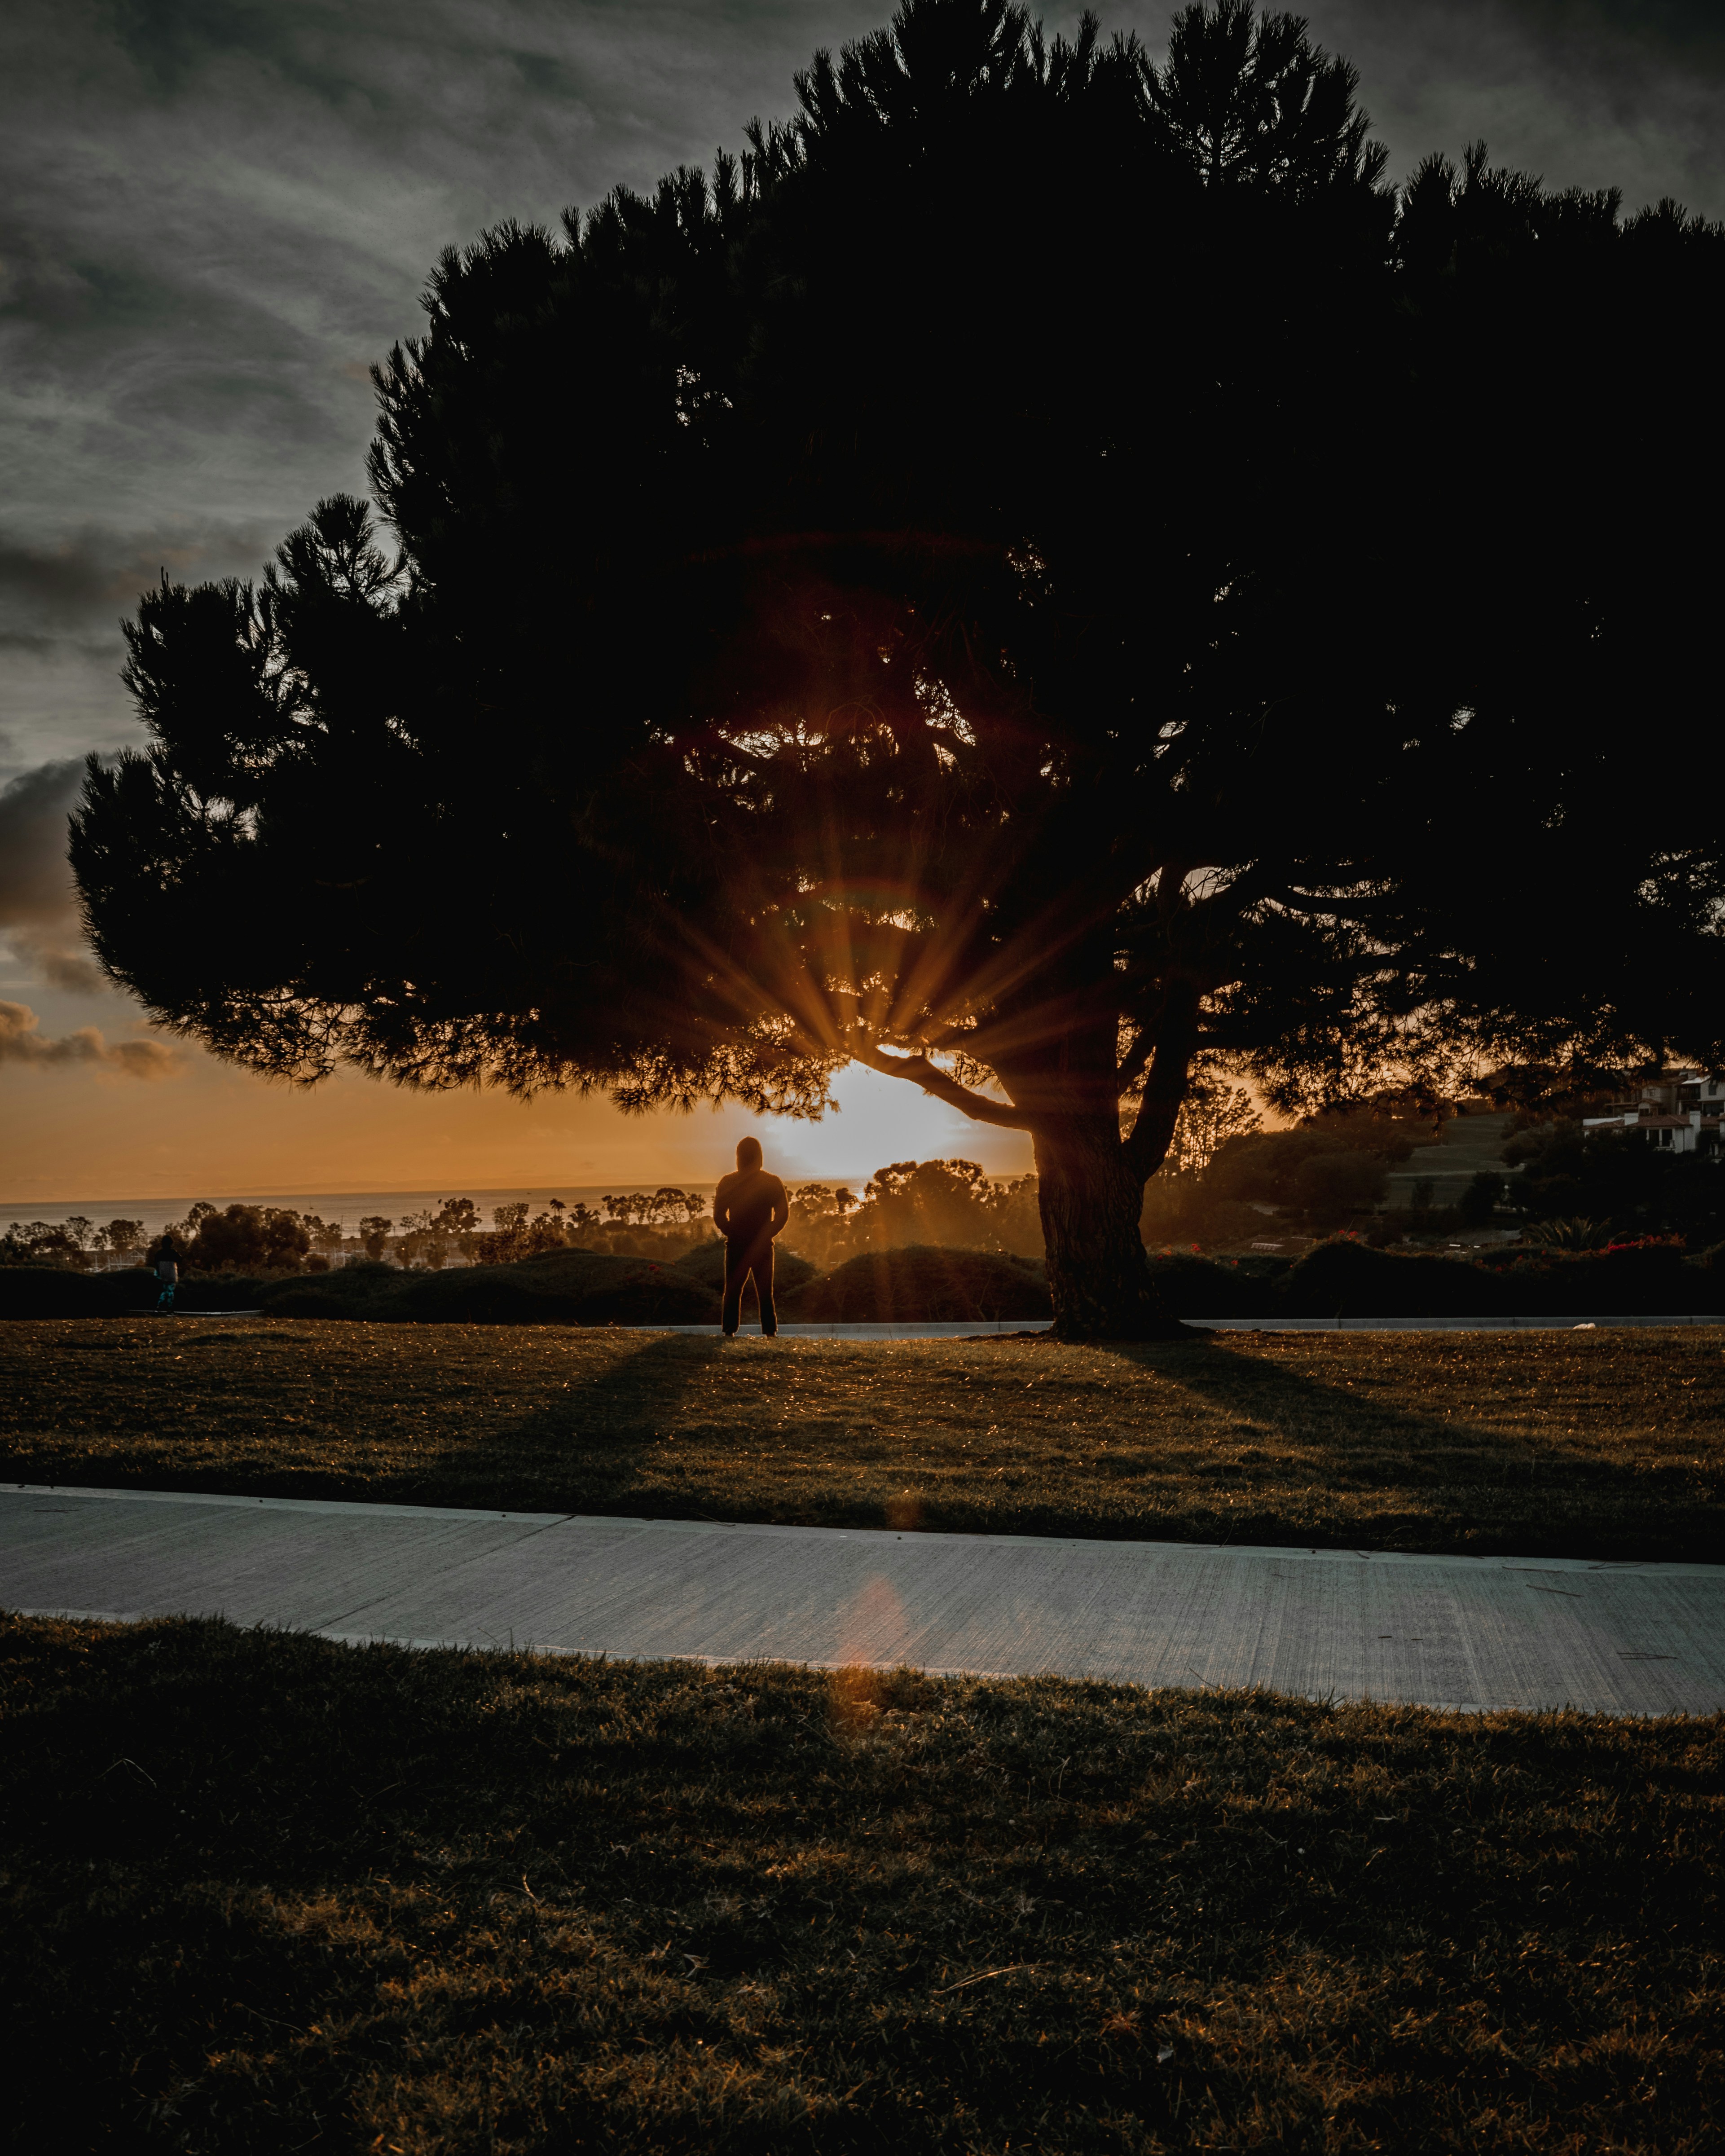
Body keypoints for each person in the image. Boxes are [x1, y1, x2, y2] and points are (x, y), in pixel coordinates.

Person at [713, 1136, 789, 1338]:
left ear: (738, 1156)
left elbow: (719, 1215)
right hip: (761, 1245)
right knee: (764, 1291)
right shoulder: (772, 1182)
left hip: (739, 1245)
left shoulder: (728, 1182)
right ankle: (770, 1332)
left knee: (733, 1290)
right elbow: (783, 1215)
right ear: (760, 1156)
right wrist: (768, 1233)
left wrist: (732, 1231)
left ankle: (729, 1331)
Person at [154, 1229, 181, 1314]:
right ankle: (170, 1309)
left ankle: (159, 1307)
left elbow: (156, 1264)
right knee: (171, 1291)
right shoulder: (173, 1253)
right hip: (171, 1274)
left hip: (163, 1274)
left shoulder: (159, 1254)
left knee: (165, 1291)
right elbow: (180, 1259)